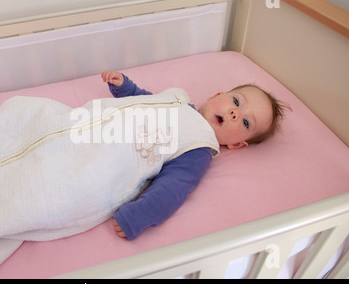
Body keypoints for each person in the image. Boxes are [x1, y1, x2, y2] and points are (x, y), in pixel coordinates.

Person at [101, 71, 287, 240]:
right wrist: (125, 87)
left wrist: (140, 214)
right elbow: (148, 102)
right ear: (216, 96)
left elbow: (173, 187)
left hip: (113, 157)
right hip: (101, 127)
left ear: (237, 144)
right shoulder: (181, 102)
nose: (235, 113)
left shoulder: (199, 148)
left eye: (246, 122)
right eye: (236, 102)